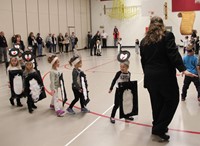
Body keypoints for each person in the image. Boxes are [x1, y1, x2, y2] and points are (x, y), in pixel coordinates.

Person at [140, 16, 197, 141]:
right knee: (172, 100)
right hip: (165, 77)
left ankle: (158, 124)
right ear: (162, 25)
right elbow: (173, 54)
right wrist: (183, 69)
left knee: (156, 103)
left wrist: (148, 74)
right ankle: (159, 128)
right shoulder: (167, 36)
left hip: (150, 77)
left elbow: (143, 61)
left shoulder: (143, 41)